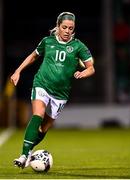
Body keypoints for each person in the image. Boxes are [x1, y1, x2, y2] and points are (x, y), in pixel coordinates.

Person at [10, 11, 95, 169]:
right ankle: (24, 155)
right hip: (41, 83)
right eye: (64, 27)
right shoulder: (47, 41)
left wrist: (83, 73)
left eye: (71, 28)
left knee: (44, 127)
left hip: (61, 93)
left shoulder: (78, 46)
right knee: (38, 114)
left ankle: (29, 151)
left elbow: (91, 68)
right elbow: (33, 56)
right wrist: (18, 71)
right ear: (58, 26)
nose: (67, 31)